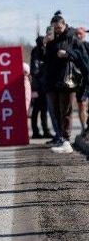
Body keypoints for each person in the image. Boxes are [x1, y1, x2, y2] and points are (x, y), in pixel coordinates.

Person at [44, 13, 83, 153]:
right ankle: (61, 138)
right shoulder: (51, 39)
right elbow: (45, 59)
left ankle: (66, 140)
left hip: (68, 80)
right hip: (52, 80)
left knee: (65, 110)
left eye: (59, 27)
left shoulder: (72, 36)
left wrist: (68, 54)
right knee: (56, 111)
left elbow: (81, 54)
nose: (57, 30)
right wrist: (45, 43)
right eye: (54, 28)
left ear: (64, 24)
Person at [29, 36, 52, 139]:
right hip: (38, 86)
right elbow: (35, 70)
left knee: (42, 109)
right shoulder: (37, 51)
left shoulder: (41, 50)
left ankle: (45, 130)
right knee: (38, 109)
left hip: (41, 85)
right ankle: (36, 131)